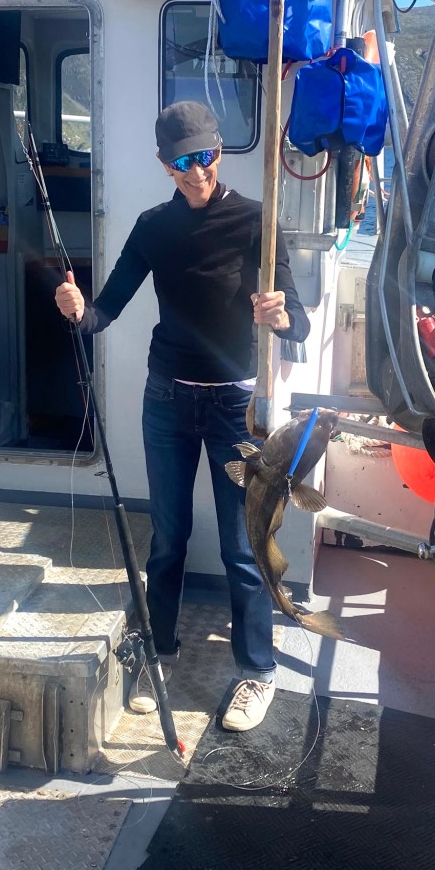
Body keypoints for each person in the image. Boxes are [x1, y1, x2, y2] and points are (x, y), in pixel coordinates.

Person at [55, 101, 310, 732]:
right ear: (164, 164)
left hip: (235, 407)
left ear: (219, 151)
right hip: (167, 400)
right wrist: (76, 310)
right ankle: (159, 653)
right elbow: (104, 311)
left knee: (242, 546)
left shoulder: (257, 221)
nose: (197, 171)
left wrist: (281, 316)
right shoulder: (153, 227)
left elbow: (300, 324)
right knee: (168, 539)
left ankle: (257, 671)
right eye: (182, 161)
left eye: (206, 156)